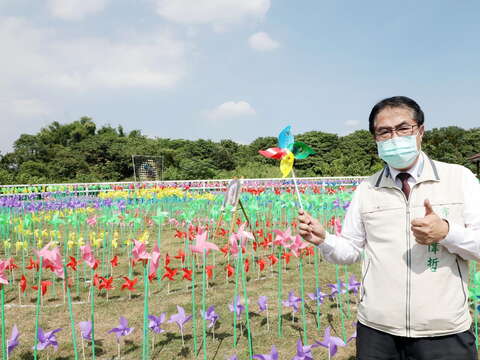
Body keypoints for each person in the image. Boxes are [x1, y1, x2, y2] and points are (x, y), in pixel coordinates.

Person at [298, 96, 480, 359]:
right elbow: (349, 250)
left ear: (420, 131)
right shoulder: (366, 188)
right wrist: (324, 239)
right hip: (377, 331)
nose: (394, 137)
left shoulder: (459, 178)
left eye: (403, 128)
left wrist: (447, 233)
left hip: (444, 331)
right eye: (384, 131)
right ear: (376, 139)